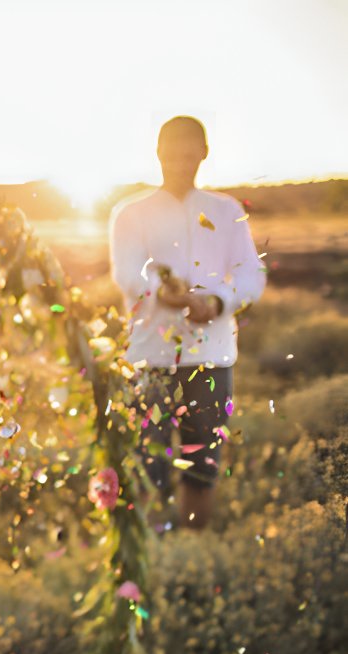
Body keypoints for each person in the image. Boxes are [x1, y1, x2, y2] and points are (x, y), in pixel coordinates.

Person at [110, 116, 266, 530]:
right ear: (158, 153)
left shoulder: (226, 210)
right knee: (148, 460)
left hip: (211, 356)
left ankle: (191, 545)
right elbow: (127, 273)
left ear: (204, 152)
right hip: (149, 357)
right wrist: (162, 293)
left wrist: (218, 301)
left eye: (189, 152)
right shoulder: (131, 213)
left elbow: (252, 274)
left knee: (202, 461)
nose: (180, 161)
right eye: (171, 152)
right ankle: (153, 549)